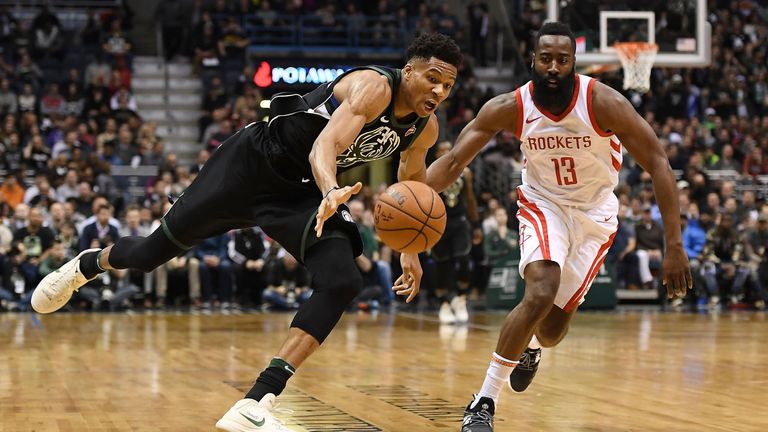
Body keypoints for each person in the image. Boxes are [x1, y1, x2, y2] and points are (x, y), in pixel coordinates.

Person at [31, 33, 461, 431]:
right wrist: (332, 188)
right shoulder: (374, 87)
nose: (439, 92)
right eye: (432, 79)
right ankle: (89, 263)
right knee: (148, 255)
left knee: (343, 279)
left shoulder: (425, 129)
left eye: (448, 85)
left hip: (301, 194)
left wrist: (411, 249)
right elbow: (323, 146)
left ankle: (257, 401)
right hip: (251, 164)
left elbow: (413, 188)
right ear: (409, 71)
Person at [425, 22, 691, 432]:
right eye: (545, 58)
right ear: (533, 60)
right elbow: (455, 162)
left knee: (550, 329)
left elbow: (658, 163)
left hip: (594, 214)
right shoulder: (509, 107)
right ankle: (483, 403)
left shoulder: (602, 102)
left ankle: (531, 347)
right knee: (540, 291)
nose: (553, 67)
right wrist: (407, 192)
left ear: (573, 64)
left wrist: (674, 244)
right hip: (543, 203)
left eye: (562, 60)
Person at [430, 141, 481, 324]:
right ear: (436, 155)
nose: (445, 152)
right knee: (441, 264)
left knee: (464, 259)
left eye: (448, 149)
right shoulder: (431, 174)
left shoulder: (464, 172)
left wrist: (476, 225)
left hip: (459, 222)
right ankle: (444, 304)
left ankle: (461, 298)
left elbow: (470, 199)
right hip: (438, 223)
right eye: (441, 150)